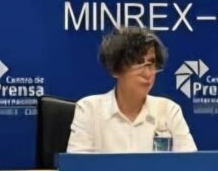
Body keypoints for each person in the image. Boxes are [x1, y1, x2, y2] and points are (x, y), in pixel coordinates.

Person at [67, 27, 196, 153]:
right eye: (139, 63)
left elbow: (191, 164)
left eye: (151, 63)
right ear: (116, 69)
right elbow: (78, 166)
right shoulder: (89, 110)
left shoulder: (169, 111)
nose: (148, 73)